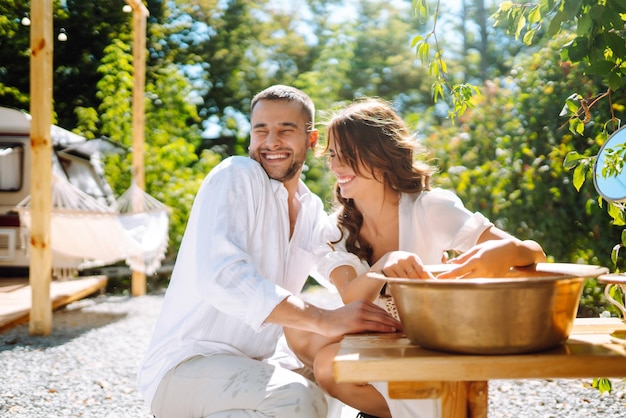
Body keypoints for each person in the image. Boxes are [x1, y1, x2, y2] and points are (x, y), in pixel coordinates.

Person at [136, 86, 402, 418]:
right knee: (295, 399)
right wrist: (324, 319)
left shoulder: (310, 208)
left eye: (285, 130)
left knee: (341, 377)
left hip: (255, 366)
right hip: (187, 366)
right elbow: (223, 277)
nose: (271, 141)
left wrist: (400, 266)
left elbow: (343, 264)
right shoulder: (236, 175)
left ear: (311, 139)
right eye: (260, 130)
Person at [285, 97, 547, 418]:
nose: (337, 167)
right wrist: (385, 262)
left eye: (348, 156)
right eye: (333, 156)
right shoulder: (335, 230)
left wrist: (502, 251)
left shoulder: (429, 207)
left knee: (326, 358)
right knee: (308, 344)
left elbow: (533, 255)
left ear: (380, 155)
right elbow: (351, 295)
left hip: (435, 341)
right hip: (380, 344)